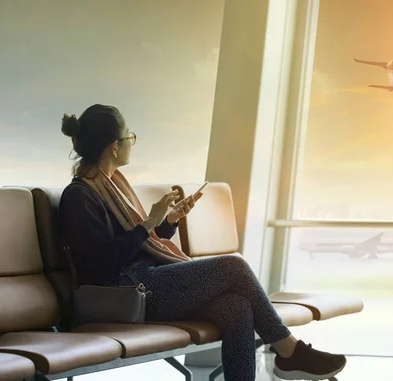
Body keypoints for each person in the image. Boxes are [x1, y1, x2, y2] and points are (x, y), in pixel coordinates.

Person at [58, 104, 346, 381]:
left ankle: (281, 358)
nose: (132, 143)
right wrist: (147, 223)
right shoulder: (80, 196)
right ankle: (290, 351)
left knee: (237, 308)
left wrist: (167, 222)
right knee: (233, 266)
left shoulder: (113, 186)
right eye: (129, 137)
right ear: (114, 146)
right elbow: (99, 265)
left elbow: (138, 246)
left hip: (145, 282)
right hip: (125, 294)